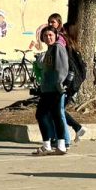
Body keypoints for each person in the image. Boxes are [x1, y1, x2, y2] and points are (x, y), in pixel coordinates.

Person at [33, 25, 70, 155]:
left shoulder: (58, 48)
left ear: (55, 36)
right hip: (48, 88)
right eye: (45, 36)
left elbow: (61, 68)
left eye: (50, 35)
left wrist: (59, 86)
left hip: (54, 88)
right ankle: (59, 146)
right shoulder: (51, 49)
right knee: (55, 115)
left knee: (42, 114)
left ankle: (50, 145)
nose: (48, 38)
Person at [60, 22, 88, 142]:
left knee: (57, 110)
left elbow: (69, 67)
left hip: (69, 84)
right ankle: (77, 129)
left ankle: (76, 128)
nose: (61, 32)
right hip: (74, 84)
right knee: (58, 109)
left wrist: (65, 83)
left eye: (63, 30)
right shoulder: (75, 46)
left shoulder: (67, 46)